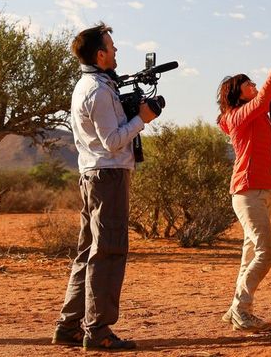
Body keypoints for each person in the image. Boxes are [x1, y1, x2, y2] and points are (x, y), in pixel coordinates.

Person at [51, 23, 158, 350]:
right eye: (111, 47)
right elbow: (112, 142)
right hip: (107, 175)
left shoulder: (91, 85)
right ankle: (98, 332)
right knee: (109, 251)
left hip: (94, 175)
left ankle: (69, 326)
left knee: (89, 251)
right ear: (100, 54)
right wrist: (143, 118)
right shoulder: (97, 91)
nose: (116, 51)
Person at [216, 46, 271, 331]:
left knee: (250, 255)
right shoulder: (235, 117)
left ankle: (236, 310)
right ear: (237, 93)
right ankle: (241, 308)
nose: (253, 84)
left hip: (262, 191)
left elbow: (269, 96)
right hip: (247, 191)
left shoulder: (255, 113)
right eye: (247, 82)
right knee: (267, 252)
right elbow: (263, 99)